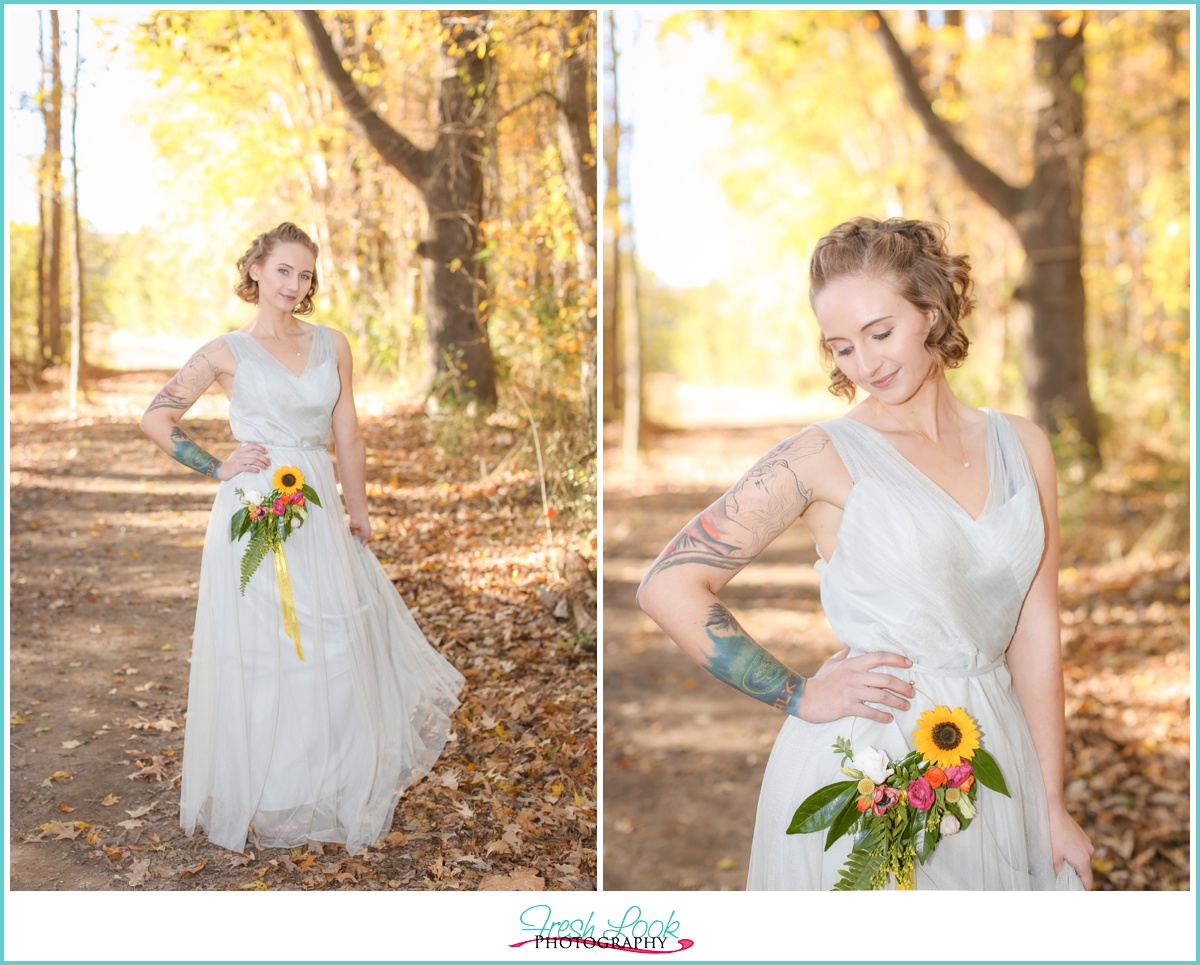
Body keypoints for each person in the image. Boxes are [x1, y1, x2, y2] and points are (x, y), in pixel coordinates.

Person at [637, 216, 1093, 890]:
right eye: (842, 347)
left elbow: (1036, 629)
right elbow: (667, 585)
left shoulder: (1024, 445)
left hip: (999, 754)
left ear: (932, 312)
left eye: (880, 333)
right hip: (872, 763)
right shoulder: (821, 455)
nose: (866, 363)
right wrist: (800, 694)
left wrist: (1051, 802)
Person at [141, 222, 464, 855]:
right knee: (265, 647)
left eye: (306, 274)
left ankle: (332, 783)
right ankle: (268, 793)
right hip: (255, 508)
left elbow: (348, 433)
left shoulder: (332, 345)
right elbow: (157, 417)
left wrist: (358, 509)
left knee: (334, 637)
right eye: (285, 270)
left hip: (316, 506)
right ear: (256, 270)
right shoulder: (224, 351)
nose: (296, 284)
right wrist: (214, 465)